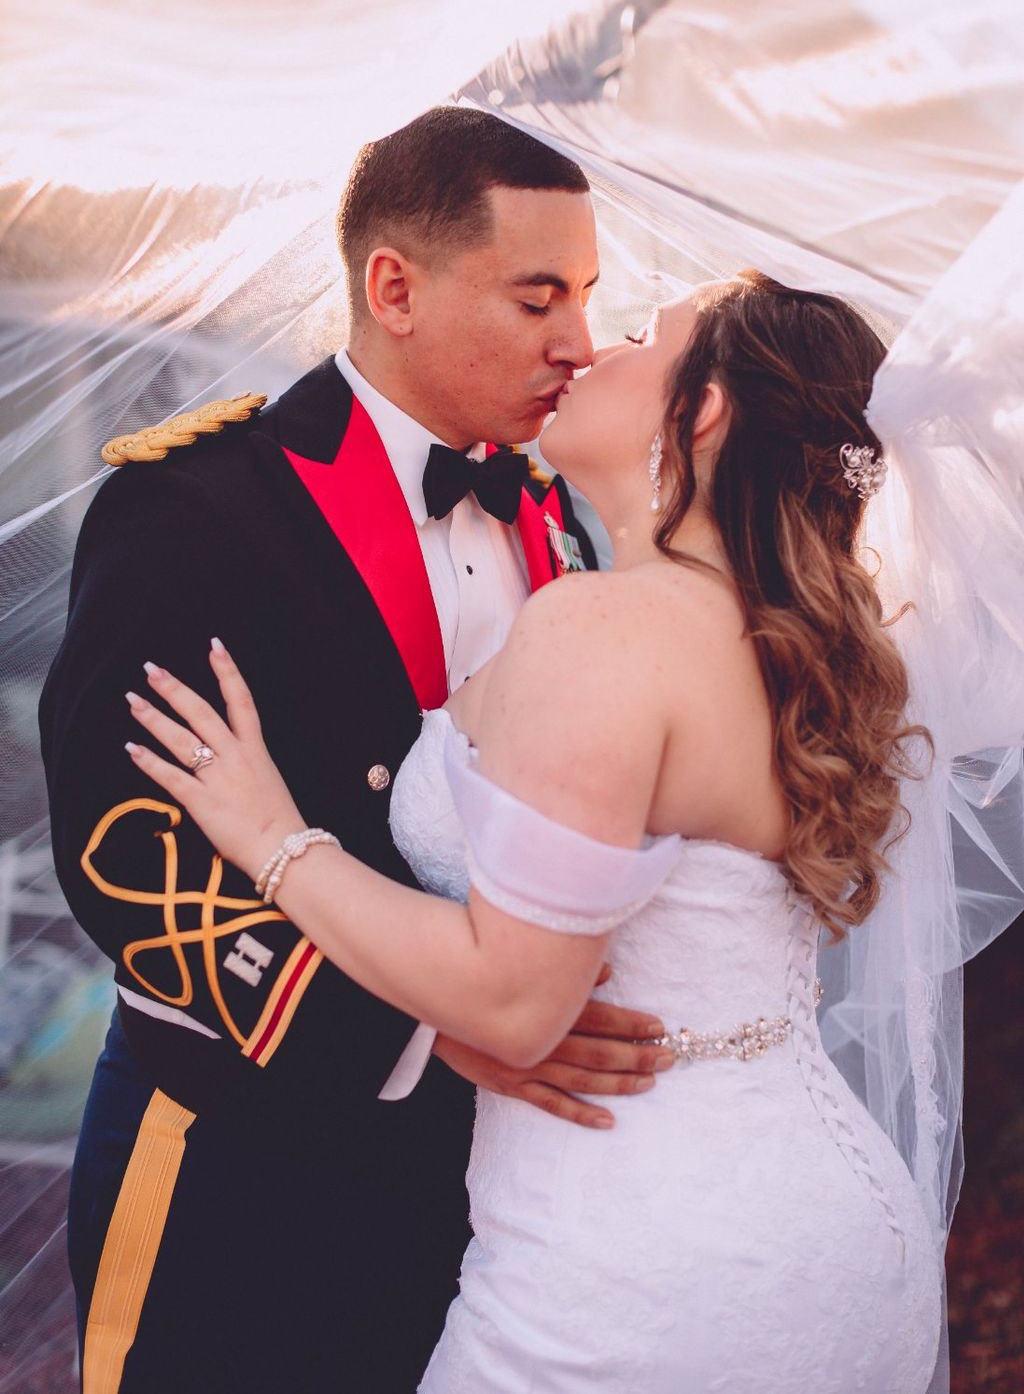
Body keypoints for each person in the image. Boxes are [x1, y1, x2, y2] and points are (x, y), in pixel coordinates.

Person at [125, 271, 946, 1392]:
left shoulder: (603, 626)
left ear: (703, 409)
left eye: (638, 335)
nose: (590, 348)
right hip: (833, 1235)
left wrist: (275, 838)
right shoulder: (799, 646)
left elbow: (515, 1004)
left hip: (639, 1274)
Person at [38, 107, 672, 1394]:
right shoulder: (196, 506)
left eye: (586, 296)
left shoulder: (554, 512)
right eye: (537, 297)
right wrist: (424, 1033)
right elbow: (124, 841)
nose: (577, 341)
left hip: (497, 1183)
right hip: (244, 1160)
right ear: (395, 289)